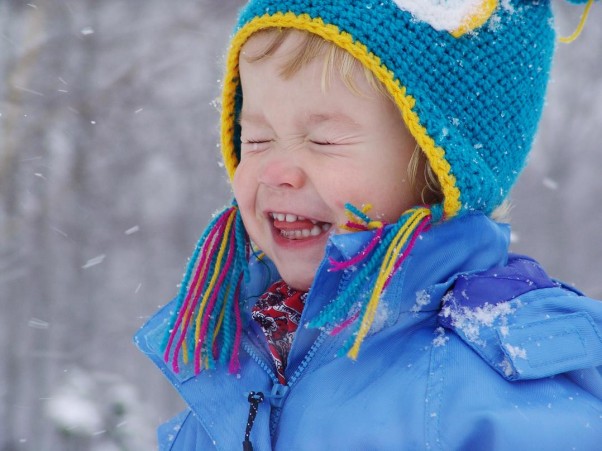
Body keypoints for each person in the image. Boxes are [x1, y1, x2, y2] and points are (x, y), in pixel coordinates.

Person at [135, 0, 602, 449]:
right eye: (256, 139)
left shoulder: (494, 389)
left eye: (323, 140)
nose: (276, 171)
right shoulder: (237, 356)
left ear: (439, 171)